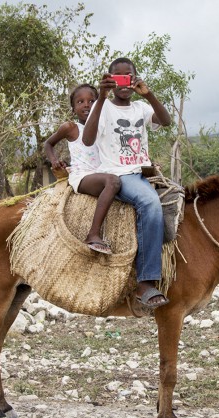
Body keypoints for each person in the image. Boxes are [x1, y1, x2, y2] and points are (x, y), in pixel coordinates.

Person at [82, 57, 173, 309]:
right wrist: (100, 97)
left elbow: (165, 121)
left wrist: (149, 94)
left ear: (134, 79)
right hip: (119, 173)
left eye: (128, 77)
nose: (124, 82)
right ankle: (145, 283)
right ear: (110, 81)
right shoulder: (104, 108)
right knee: (149, 203)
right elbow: (88, 140)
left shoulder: (141, 109)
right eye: (118, 77)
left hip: (142, 171)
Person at [44, 84, 121, 255]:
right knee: (113, 181)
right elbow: (48, 144)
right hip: (83, 176)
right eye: (80, 102)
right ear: (73, 109)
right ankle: (93, 234)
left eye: (92, 101)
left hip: (103, 172)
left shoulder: (107, 128)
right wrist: (54, 160)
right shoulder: (71, 128)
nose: (86, 105)